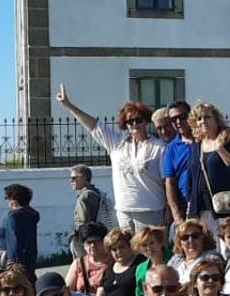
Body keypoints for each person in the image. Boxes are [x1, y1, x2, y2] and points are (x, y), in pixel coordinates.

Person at [57, 85, 168, 232]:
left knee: (153, 253)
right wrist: (69, 105)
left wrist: (170, 210)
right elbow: (94, 125)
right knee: (128, 254)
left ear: (146, 121)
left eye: (138, 120)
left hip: (152, 210)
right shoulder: (117, 142)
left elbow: (167, 181)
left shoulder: (159, 147)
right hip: (124, 211)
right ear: (125, 124)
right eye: (129, 121)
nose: (134, 124)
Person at [188, 100, 230, 235]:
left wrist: (220, 149)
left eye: (207, 117)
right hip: (202, 208)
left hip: (226, 207)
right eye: (199, 118)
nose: (203, 121)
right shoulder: (196, 146)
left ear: (216, 119)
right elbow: (191, 177)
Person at [161, 100, 195, 229]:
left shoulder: (205, 140)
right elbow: (170, 182)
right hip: (184, 204)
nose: (178, 122)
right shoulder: (171, 148)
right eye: (173, 119)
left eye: (182, 117)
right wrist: (176, 215)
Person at [68, 164, 112, 259]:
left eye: (74, 178)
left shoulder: (85, 196)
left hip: (85, 238)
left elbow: (84, 223)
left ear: (84, 178)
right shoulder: (96, 192)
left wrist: (81, 239)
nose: (71, 181)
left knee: (83, 265)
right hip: (98, 236)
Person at [0, 184, 40, 281]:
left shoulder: (13, 216)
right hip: (29, 255)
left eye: (7, 198)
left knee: (15, 284)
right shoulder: (30, 214)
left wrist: (14, 260)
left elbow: (14, 238)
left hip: (14, 260)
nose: (7, 201)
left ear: (13, 199)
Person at [100, 227, 140, 296]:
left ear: (130, 245)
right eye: (114, 249)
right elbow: (100, 295)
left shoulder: (140, 264)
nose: (118, 252)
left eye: (122, 247)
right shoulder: (109, 269)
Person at [65, 222, 112, 296]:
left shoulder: (114, 262)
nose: (93, 245)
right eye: (89, 242)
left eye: (96, 241)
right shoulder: (79, 263)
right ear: (84, 245)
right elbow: (66, 291)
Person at [166, 219, 218, 284]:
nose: (190, 241)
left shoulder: (212, 259)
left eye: (195, 236)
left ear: (204, 239)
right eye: (185, 237)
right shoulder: (174, 261)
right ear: (179, 243)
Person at [130, 225, 169, 296]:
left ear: (160, 242)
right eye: (144, 245)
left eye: (152, 243)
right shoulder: (140, 268)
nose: (149, 248)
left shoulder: (174, 260)